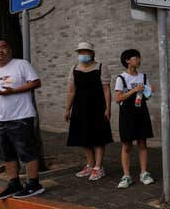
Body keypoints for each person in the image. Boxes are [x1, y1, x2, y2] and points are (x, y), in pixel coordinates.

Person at [0, 39, 43, 199]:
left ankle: (34, 184)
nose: (0, 51)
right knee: (7, 154)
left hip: (21, 116)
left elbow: (36, 82)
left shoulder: (21, 64)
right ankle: (14, 183)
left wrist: (14, 91)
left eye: (3, 47)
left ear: (9, 49)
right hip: (2, 119)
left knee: (27, 151)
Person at [65, 42, 113, 181]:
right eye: (80, 52)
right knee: (83, 137)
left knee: (98, 137)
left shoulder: (101, 67)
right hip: (80, 107)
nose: (82, 55)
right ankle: (90, 165)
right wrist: (67, 109)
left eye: (85, 52)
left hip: (98, 107)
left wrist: (108, 108)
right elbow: (71, 91)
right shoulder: (74, 69)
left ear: (92, 53)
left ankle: (99, 167)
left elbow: (106, 90)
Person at [114, 49, 155, 189]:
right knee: (126, 145)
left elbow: (148, 95)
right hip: (127, 114)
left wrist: (149, 91)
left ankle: (144, 173)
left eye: (139, 58)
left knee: (142, 143)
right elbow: (117, 98)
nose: (138, 60)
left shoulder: (143, 76)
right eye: (135, 58)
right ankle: (126, 175)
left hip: (141, 112)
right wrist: (133, 90)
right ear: (127, 60)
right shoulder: (121, 78)